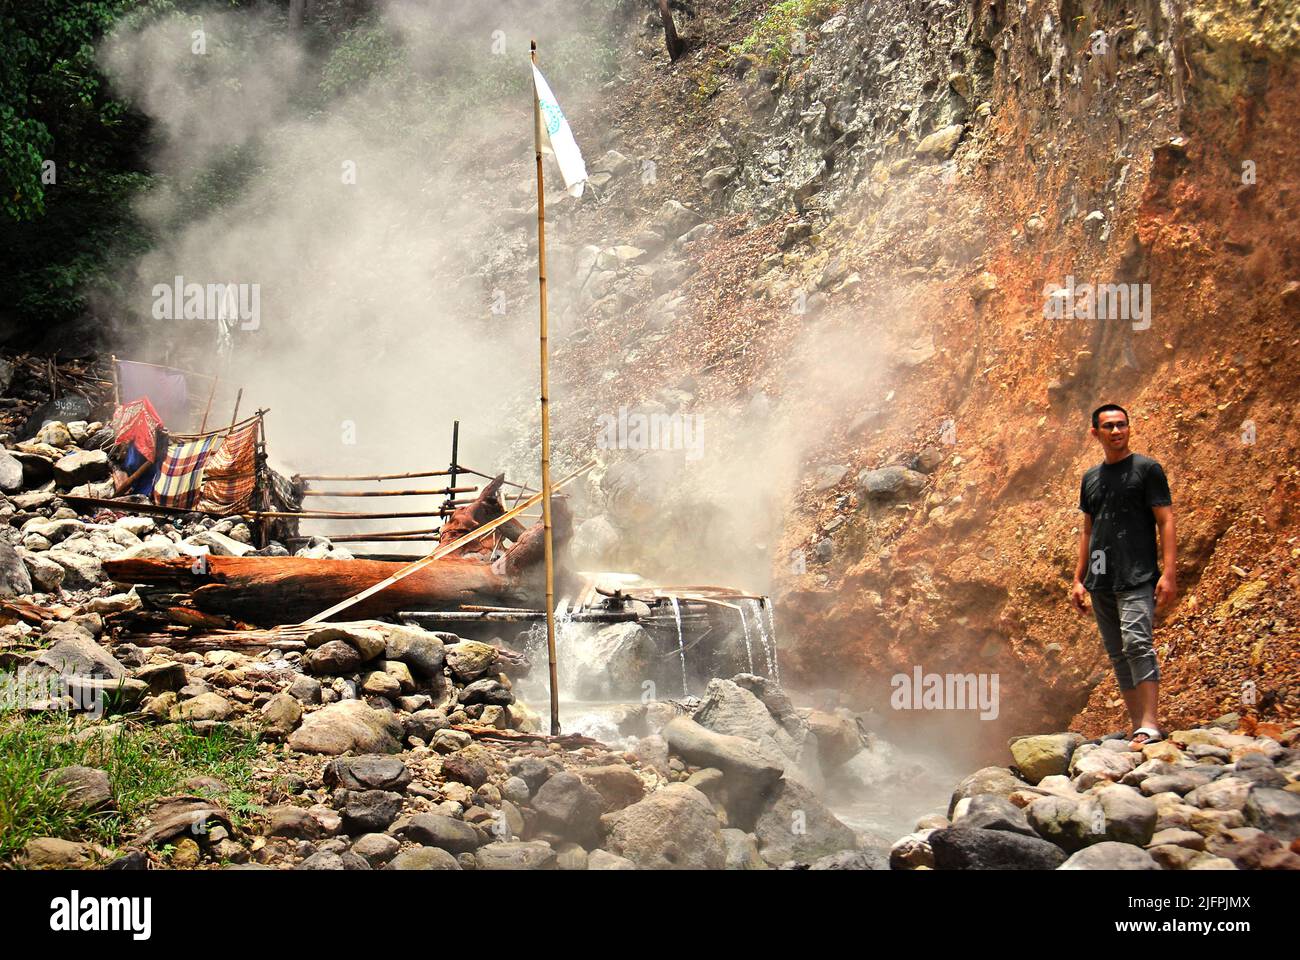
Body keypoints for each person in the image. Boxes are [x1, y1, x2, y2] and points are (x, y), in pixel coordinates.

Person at [1070, 403, 1177, 746]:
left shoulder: (1147, 469)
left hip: (1137, 572)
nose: (1116, 431)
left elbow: (1166, 520)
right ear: (1095, 433)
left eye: (1122, 425)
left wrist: (1169, 573)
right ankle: (1136, 726)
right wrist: (1079, 578)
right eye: (1109, 427)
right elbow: (1088, 530)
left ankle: (1150, 721)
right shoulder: (1091, 478)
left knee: (1137, 642)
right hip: (1102, 576)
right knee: (1117, 651)